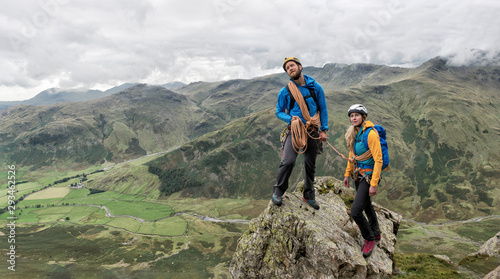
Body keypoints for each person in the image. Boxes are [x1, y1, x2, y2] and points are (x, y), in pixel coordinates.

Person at [272, 57, 329, 210]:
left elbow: (322, 109)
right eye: (287, 68)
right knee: (288, 161)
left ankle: (309, 195)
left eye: (292, 66)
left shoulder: (315, 88)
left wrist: (324, 129)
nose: (290, 69)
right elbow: (279, 112)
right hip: (295, 130)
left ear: (300, 67)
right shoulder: (285, 91)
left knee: (310, 164)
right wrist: (291, 118)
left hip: (312, 130)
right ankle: (278, 191)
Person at [343, 104, 382, 258]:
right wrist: (347, 174)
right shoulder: (354, 133)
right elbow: (352, 156)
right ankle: (376, 232)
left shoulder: (370, 134)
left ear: (363, 117)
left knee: (355, 211)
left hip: (368, 177)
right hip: (358, 176)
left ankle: (369, 238)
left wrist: (373, 184)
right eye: (351, 116)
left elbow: (378, 159)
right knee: (366, 206)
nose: (354, 118)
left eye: (356, 115)